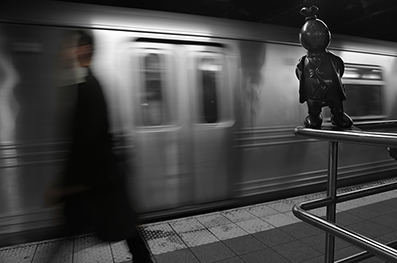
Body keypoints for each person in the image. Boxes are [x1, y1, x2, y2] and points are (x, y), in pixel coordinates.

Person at [47, 30, 153, 263]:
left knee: (72, 230)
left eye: (70, 46)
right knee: (126, 228)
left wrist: (65, 186)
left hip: (95, 181)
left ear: (84, 49)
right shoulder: (89, 84)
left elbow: (85, 142)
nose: (66, 52)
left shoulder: (87, 89)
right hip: (100, 179)